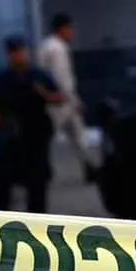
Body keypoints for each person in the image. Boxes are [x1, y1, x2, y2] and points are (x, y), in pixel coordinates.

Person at [0, 35, 65, 213]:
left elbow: (59, 97)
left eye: (20, 51)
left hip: (36, 134)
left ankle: (37, 219)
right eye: (14, 52)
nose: (18, 56)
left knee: (37, 183)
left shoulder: (38, 75)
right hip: (11, 135)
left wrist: (45, 94)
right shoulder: (2, 78)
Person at [38, 12, 98, 183]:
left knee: (77, 134)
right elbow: (62, 78)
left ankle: (89, 167)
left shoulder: (46, 45)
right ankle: (36, 171)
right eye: (70, 28)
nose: (72, 31)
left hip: (56, 99)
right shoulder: (58, 48)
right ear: (62, 28)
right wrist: (73, 100)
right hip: (61, 101)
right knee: (48, 138)